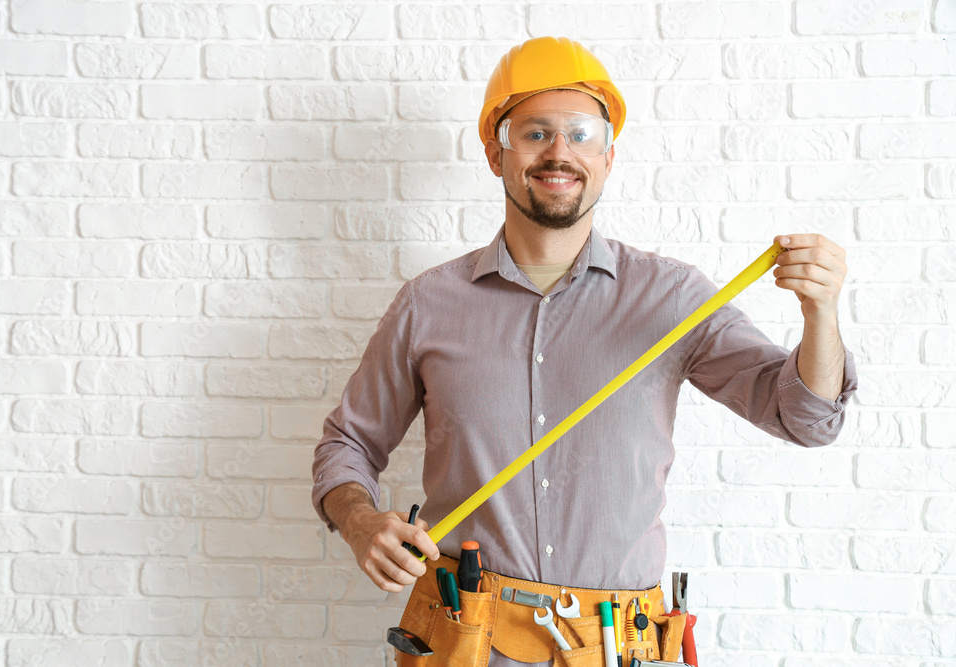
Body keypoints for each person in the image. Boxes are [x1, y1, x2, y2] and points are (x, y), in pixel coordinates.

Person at [312, 36, 857, 666]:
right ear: (496, 153)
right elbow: (345, 446)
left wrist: (821, 314)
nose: (560, 153)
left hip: (616, 644)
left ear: (609, 155)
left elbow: (805, 418)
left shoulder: (673, 298)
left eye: (581, 134)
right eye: (535, 133)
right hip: (464, 640)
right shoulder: (427, 304)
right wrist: (360, 522)